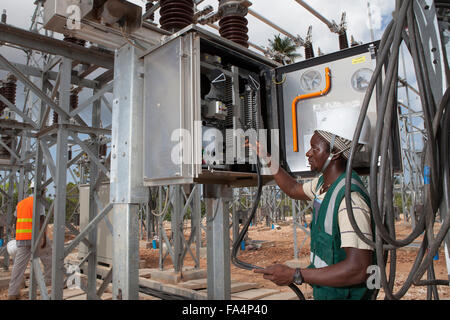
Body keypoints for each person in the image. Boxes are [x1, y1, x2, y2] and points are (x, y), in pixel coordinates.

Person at [251, 107, 376, 300]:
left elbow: (358, 269)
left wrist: (295, 275)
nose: (308, 153)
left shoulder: (350, 199)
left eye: (315, 148)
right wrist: (268, 159)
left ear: (334, 153)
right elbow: (293, 189)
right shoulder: (323, 186)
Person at [7, 181, 52, 300]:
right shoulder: (39, 202)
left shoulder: (21, 203)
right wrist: (43, 239)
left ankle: (12, 292)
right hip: (34, 237)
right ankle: (49, 281)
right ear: (42, 190)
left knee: (19, 266)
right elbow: (41, 221)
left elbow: (16, 222)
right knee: (49, 256)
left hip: (22, 239)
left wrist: (16, 236)